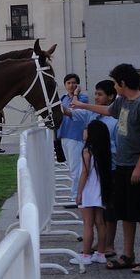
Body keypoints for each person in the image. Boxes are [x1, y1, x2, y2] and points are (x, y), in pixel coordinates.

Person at [71, 63, 140, 274]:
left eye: (116, 83)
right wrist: (82, 106)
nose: (115, 87)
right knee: (126, 212)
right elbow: (106, 110)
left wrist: (139, 167)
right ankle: (127, 255)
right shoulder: (123, 102)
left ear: (123, 83)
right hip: (123, 166)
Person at [63, 79, 118, 257]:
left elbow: (117, 146)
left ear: (111, 96)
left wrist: (78, 193)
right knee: (98, 218)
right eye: (95, 94)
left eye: (100, 94)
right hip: (96, 171)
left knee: (106, 214)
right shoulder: (91, 114)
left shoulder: (115, 119)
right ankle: (100, 248)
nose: (96, 97)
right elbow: (70, 112)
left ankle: (107, 245)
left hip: (109, 169)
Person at [69, 119, 113, 266]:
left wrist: (79, 192)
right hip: (101, 189)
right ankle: (101, 253)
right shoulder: (104, 150)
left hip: (88, 190)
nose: (84, 132)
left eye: (86, 129)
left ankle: (86, 255)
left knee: (87, 223)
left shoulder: (87, 150)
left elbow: (84, 173)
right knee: (100, 222)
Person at [56, 73, 89, 205]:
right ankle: (76, 194)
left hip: (76, 136)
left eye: (74, 83)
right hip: (64, 135)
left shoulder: (83, 98)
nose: (71, 85)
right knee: (72, 167)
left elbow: (74, 109)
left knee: (76, 168)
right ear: (65, 85)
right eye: (68, 83)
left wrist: (75, 94)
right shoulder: (62, 98)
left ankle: (75, 196)